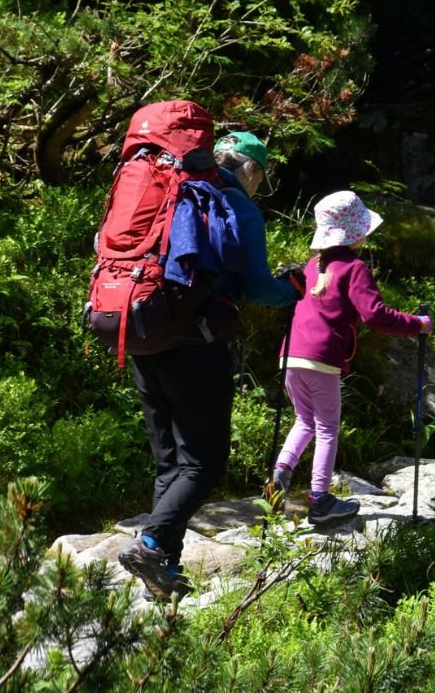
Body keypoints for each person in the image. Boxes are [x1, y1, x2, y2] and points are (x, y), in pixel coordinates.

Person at [118, 130, 302, 600]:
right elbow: (260, 287)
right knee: (204, 462)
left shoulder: (169, 190)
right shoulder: (236, 203)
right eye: (260, 176)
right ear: (251, 169)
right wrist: (293, 289)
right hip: (195, 344)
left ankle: (165, 572)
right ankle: (152, 544)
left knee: (170, 463)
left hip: (142, 332)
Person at [268, 191, 431, 524]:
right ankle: (320, 500)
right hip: (323, 358)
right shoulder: (355, 268)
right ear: (357, 233)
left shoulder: (313, 266)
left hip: (291, 356)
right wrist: (418, 324)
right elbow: (375, 315)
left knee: (304, 420)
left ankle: (280, 474)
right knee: (327, 427)